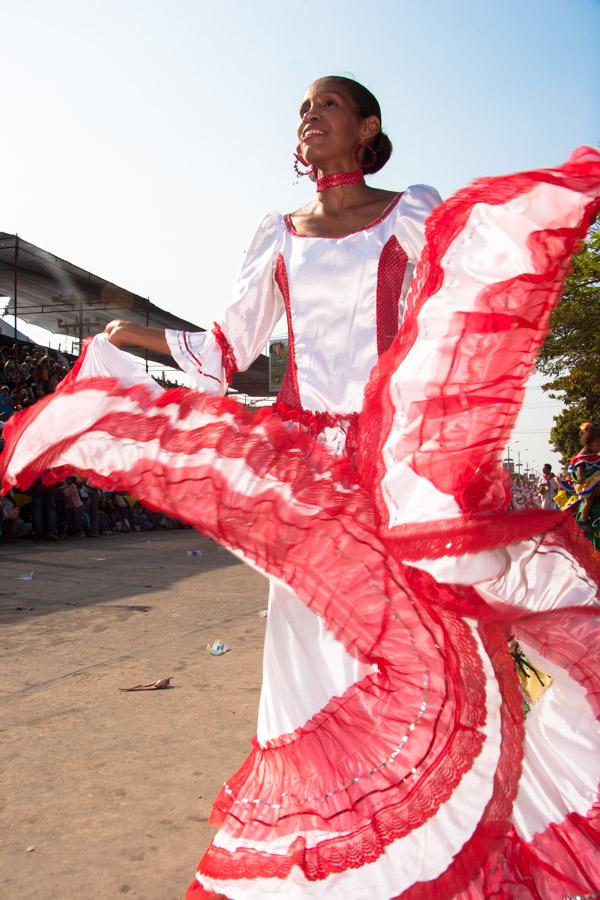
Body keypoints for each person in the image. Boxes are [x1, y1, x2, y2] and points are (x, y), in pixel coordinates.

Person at [1, 77, 599, 898]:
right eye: (302, 110)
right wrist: (121, 333)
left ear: (367, 128)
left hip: (388, 472)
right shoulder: (274, 234)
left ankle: (427, 862)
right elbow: (221, 353)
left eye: (327, 106)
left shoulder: (412, 211)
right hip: (308, 482)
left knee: (427, 655)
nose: (308, 119)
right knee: (310, 667)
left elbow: (449, 301)